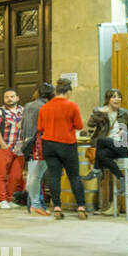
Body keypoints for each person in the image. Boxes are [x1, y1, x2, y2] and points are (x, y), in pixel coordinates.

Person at [37, 78, 86, 219]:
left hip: (49, 144)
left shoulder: (44, 107)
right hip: (67, 144)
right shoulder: (72, 106)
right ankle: (81, 207)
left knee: (54, 176)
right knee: (74, 177)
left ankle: (57, 207)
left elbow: (40, 128)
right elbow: (79, 125)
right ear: (68, 91)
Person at [84, 89, 128, 209]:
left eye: (119, 97)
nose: (117, 99)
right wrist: (99, 113)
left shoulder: (124, 113)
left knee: (101, 141)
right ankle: (122, 178)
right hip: (107, 147)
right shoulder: (100, 111)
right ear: (108, 99)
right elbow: (90, 124)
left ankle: (96, 170)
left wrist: (124, 134)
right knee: (103, 154)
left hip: (120, 144)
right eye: (114, 97)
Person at [17, 82, 54, 215]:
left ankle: (33, 205)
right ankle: (36, 205)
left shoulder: (28, 106)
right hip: (38, 143)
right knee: (36, 176)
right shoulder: (46, 106)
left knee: (33, 174)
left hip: (28, 142)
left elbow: (23, 125)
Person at [0, 87, 24, 210]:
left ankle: (9, 198)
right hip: (4, 147)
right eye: (6, 97)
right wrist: (2, 144)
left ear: (17, 98)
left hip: (19, 148)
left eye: (12, 96)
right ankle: (2, 199)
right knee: (2, 174)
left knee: (16, 176)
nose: (9, 99)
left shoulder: (23, 111)